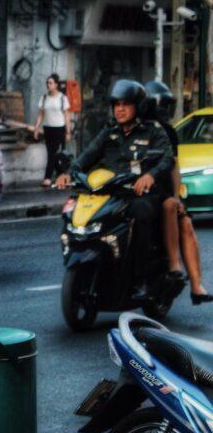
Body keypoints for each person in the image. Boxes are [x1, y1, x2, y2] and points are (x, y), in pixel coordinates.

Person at [56, 80, 174, 300]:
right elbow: (87, 155)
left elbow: (167, 158)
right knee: (76, 211)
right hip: (111, 191)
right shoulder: (109, 132)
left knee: (140, 213)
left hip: (139, 193)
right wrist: (69, 173)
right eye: (116, 104)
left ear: (137, 106)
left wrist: (150, 175)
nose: (120, 109)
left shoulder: (152, 131)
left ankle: (140, 279)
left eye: (126, 104)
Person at [143, 81, 212, 305]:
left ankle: (195, 285)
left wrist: (177, 196)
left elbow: (173, 167)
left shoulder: (168, 132)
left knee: (185, 222)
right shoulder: (125, 130)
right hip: (131, 193)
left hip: (160, 192)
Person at [33, 74, 72, 187]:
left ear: (56, 84)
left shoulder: (62, 98)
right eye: (47, 83)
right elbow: (41, 114)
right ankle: (61, 176)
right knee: (52, 154)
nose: (48, 85)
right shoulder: (44, 98)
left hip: (59, 129)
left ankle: (48, 178)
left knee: (55, 154)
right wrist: (36, 128)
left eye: (50, 83)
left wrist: (68, 132)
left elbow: (67, 116)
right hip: (48, 129)